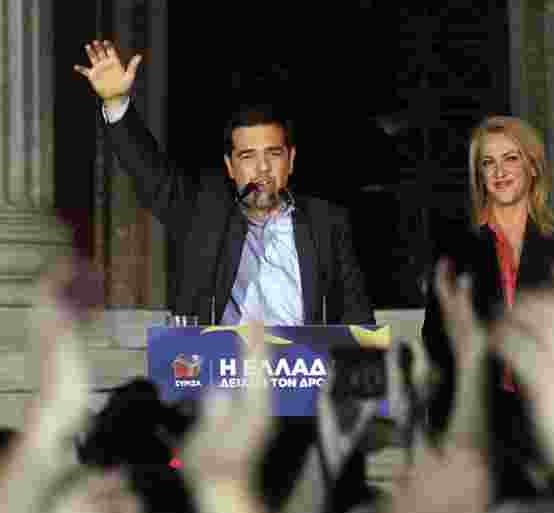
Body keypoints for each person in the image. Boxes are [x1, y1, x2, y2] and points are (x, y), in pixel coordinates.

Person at [73, 40, 375, 326]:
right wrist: (116, 102)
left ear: (291, 160)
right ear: (231, 167)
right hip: (219, 373)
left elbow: (358, 320)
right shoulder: (205, 216)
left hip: (304, 372)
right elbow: (151, 175)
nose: (262, 168)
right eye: (247, 156)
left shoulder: (328, 223)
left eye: (273, 154)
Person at [422, 114, 554, 502]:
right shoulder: (455, 241)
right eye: (488, 163)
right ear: (479, 176)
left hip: (545, 408)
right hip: (477, 409)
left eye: (510, 159)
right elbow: (435, 336)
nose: (499, 172)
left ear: (533, 166)